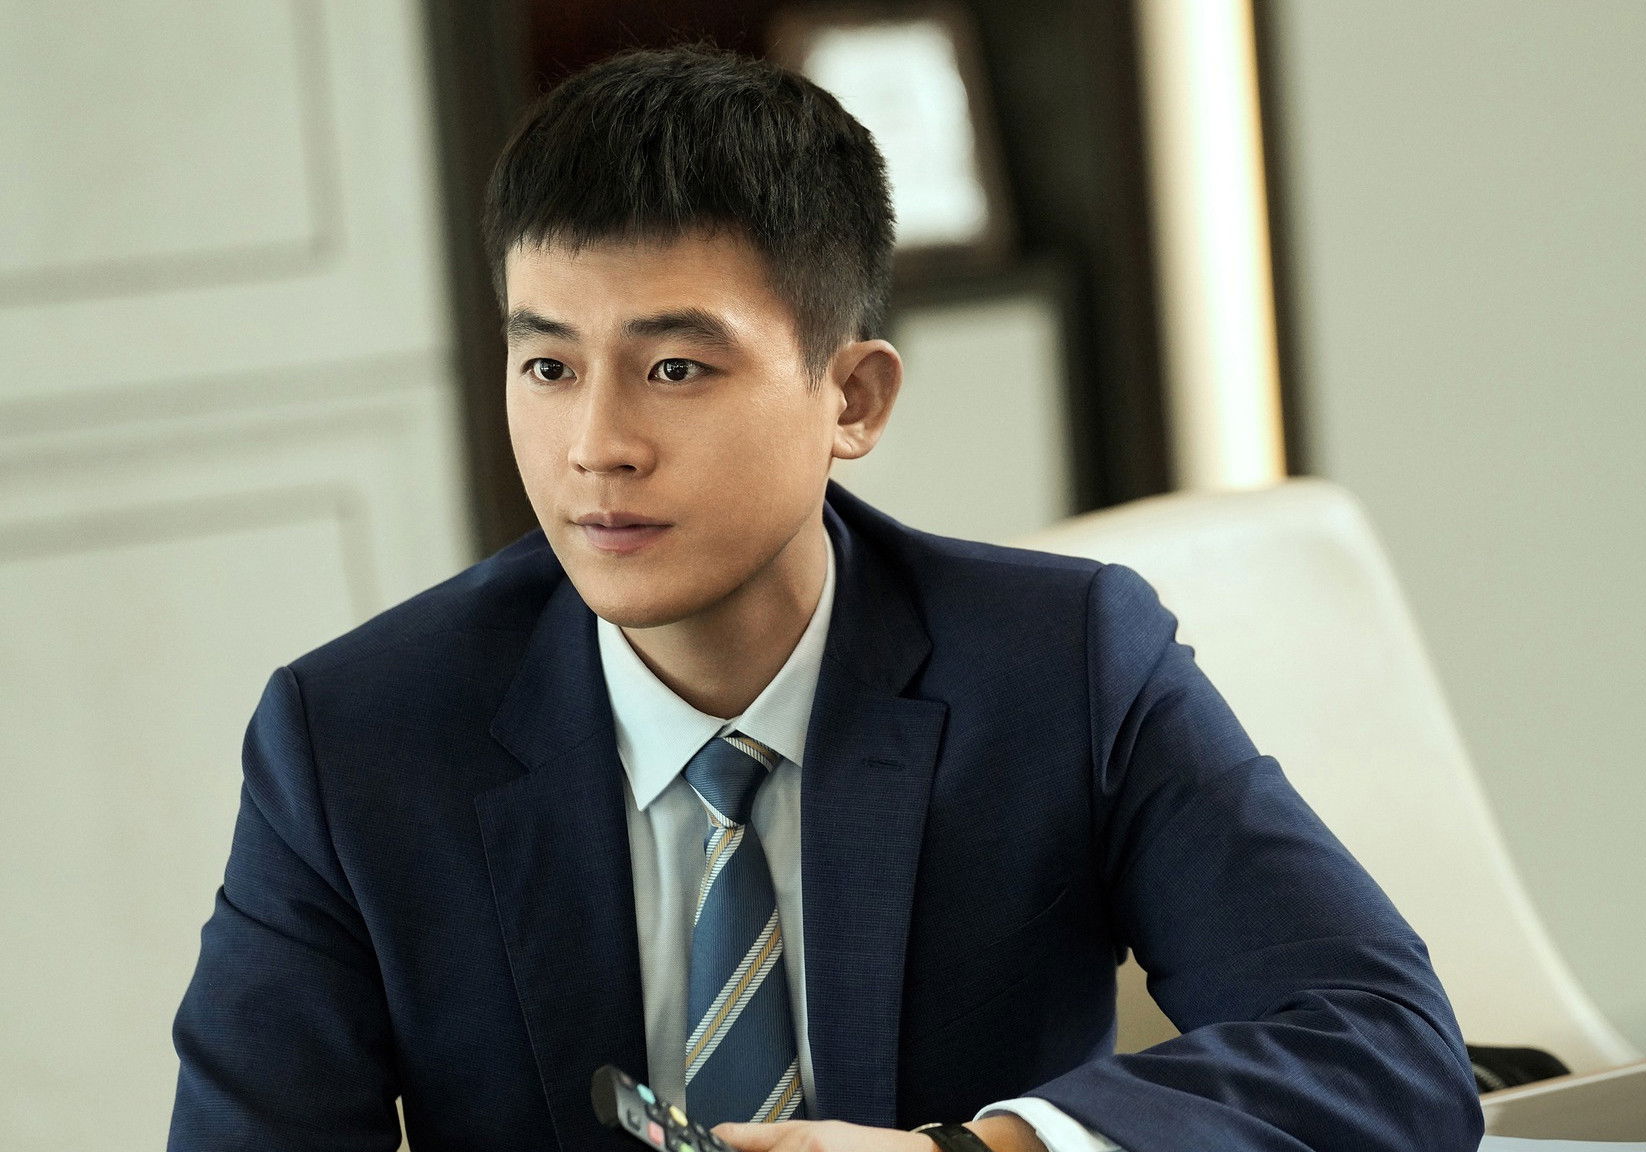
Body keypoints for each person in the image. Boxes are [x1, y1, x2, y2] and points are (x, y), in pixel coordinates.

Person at [168, 43, 1482, 1152]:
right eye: (549, 368)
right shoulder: (353, 742)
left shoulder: (1063, 663)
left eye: (675, 370)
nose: (596, 448)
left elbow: (1380, 1043)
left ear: (852, 398)